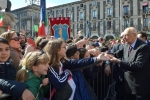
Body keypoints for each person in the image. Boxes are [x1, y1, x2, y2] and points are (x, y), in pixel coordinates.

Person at [43, 38, 110, 100]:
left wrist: (97, 59)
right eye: (64, 47)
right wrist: (66, 72)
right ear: (57, 50)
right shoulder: (51, 66)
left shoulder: (63, 62)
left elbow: (78, 62)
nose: (66, 49)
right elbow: (59, 83)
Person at [109, 27, 150, 100]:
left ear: (134, 35)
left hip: (139, 87)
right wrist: (104, 54)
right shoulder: (127, 45)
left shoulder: (143, 47)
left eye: (126, 35)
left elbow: (138, 65)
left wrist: (119, 61)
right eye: (123, 36)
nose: (123, 38)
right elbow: (116, 54)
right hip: (127, 86)